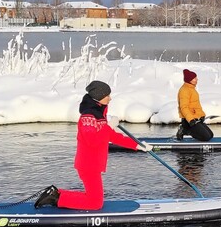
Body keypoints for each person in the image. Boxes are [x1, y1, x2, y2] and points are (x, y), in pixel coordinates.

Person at [35, 80, 151, 210]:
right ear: (98, 96)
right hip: (88, 165)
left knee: (93, 197)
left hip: (93, 164)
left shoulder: (99, 114)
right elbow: (92, 141)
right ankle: (56, 198)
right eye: (107, 95)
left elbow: (112, 136)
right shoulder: (88, 117)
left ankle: (56, 194)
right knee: (95, 203)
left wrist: (137, 145)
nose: (110, 98)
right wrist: (108, 127)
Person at [175, 68, 214, 142]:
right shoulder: (184, 90)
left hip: (196, 119)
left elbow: (196, 106)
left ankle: (189, 130)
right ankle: (184, 130)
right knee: (206, 137)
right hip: (188, 121)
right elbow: (184, 107)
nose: (197, 79)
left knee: (210, 135)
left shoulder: (192, 89)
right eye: (194, 78)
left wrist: (202, 115)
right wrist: (190, 120)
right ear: (190, 80)